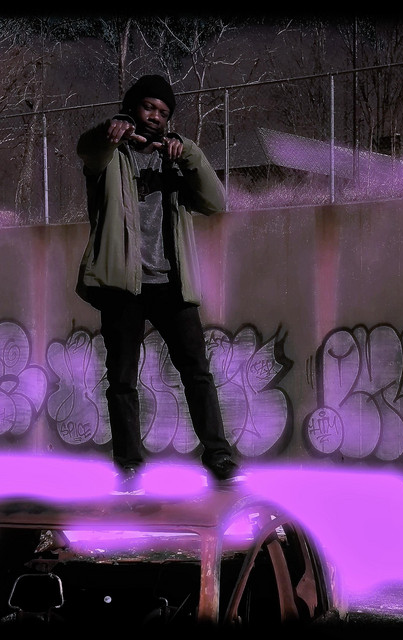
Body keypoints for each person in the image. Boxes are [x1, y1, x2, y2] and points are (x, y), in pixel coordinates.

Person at [76, 74, 240, 493]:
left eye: (164, 112)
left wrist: (189, 155)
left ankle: (218, 455)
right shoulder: (109, 156)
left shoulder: (174, 160)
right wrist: (110, 130)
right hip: (123, 286)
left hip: (172, 284)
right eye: (149, 107)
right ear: (132, 107)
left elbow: (215, 202)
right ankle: (130, 466)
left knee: (197, 373)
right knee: (122, 380)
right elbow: (88, 149)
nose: (155, 117)